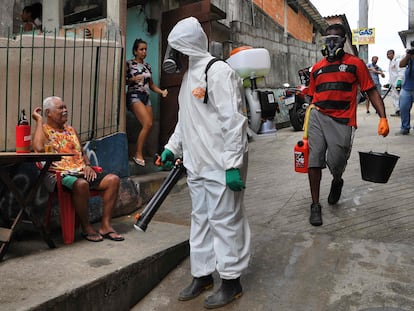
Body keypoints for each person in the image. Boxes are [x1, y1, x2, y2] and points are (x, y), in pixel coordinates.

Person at [160, 17, 250, 309]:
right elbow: (185, 121)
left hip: (222, 166)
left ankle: (231, 281)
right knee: (200, 221)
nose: (172, 56)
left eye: (176, 49)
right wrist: (172, 148)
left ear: (189, 47)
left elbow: (234, 122)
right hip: (197, 166)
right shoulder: (188, 77)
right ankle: (202, 275)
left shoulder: (218, 71)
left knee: (225, 222)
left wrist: (234, 164)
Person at [307, 23, 389, 226]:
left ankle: (337, 180)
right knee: (314, 159)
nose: (332, 43)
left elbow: (370, 90)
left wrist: (383, 117)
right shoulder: (316, 68)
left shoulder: (355, 64)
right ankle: (315, 205)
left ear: (344, 41)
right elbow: (311, 95)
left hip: (342, 120)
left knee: (336, 162)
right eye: (328, 40)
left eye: (336, 39)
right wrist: (307, 113)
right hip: (317, 116)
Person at [31, 96, 124, 242]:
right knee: (81, 185)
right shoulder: (44, 130)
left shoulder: (70, 130)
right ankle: (86, 227)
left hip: (80, 171)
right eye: (60, 108)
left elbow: (82, 152)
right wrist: (38, 120)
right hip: (58, 175)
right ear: (48, 112)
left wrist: (87, 165)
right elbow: (38, 148)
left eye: (65, 107)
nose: (65, 110)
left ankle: (106, 226)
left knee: (113, 180)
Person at [126, 38, 168, 167]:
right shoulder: (129, 64)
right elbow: (123, 81)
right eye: (141, 49)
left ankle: (139, 151)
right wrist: (133, 79)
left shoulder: (147, 66)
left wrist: (161, 92)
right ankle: (138, 154)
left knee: (149, 126)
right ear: (135, 51)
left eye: (145, 49)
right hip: (134, 95)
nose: (144, 52)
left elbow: (151, 85)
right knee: (148, 123)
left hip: (146, 96)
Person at [397, 45, 414, 134]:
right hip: (407, 87)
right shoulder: (409, 58)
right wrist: (408, 55)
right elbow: (401, 64)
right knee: (403, 107)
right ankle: (405, 127)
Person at [387, 49, 405, 117]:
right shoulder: (391, 62)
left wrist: (399, 81)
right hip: (393, 83)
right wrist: (389, 83)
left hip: (398, 82)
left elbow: (401, 71)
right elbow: (392, 74)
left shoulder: (397, 60)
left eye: (389, 54)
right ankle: (397, 110)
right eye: (387, 55)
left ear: (393, 54)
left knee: (400, 97)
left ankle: (402, 110)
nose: (388, 56)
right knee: (395, 97)